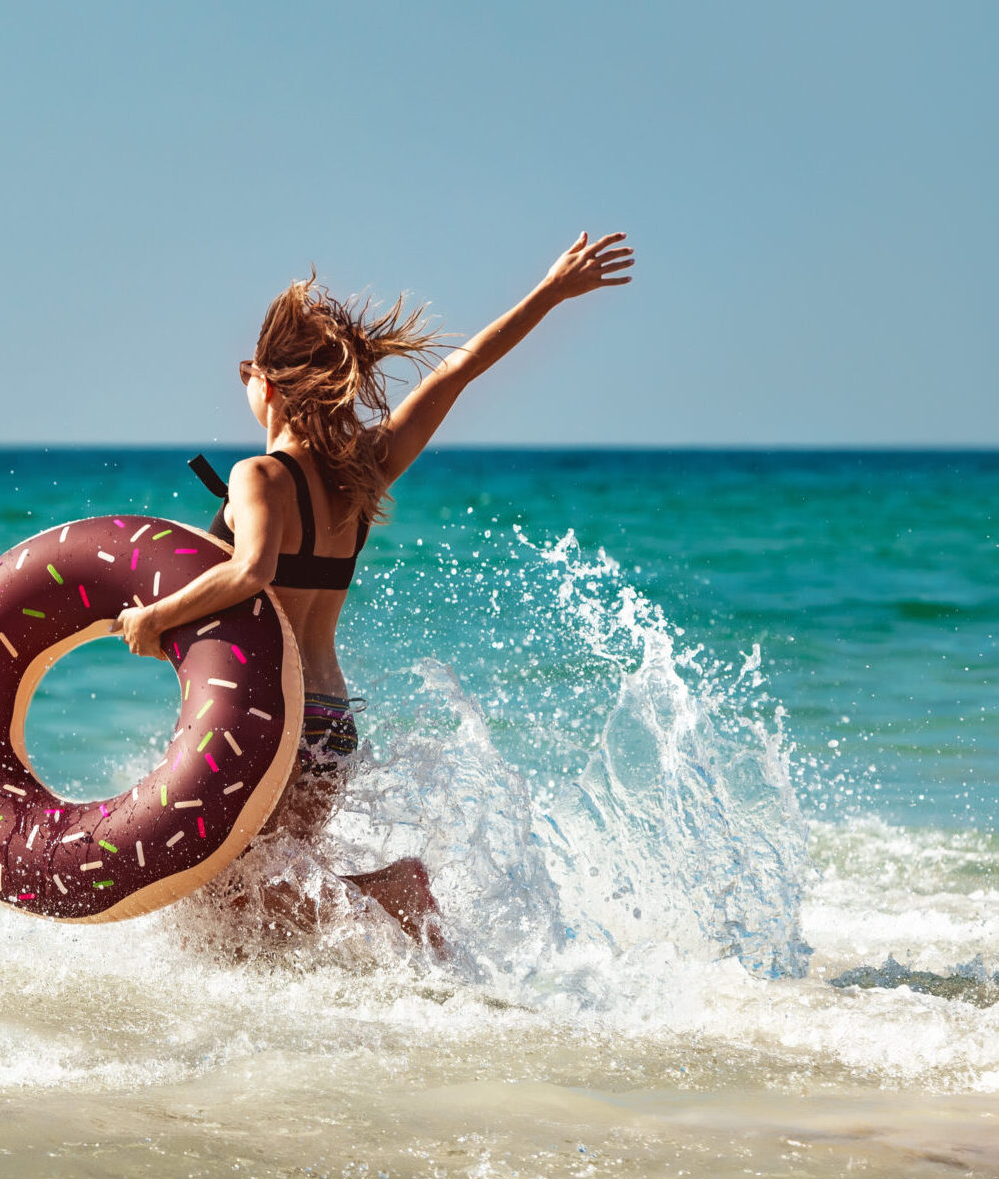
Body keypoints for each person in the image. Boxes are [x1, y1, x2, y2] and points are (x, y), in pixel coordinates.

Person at [114, 233, 635, 951]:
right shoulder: (363, 472)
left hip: (272, 718)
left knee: (234, 899)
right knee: (268, 892)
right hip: (330, 721)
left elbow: (252, 569)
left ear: (266, 380)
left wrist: (153, 619)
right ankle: (371, 950)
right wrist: (549, 292)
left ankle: (390, 891)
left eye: (245, 368)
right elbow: (456, 373)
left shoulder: (258, 476)